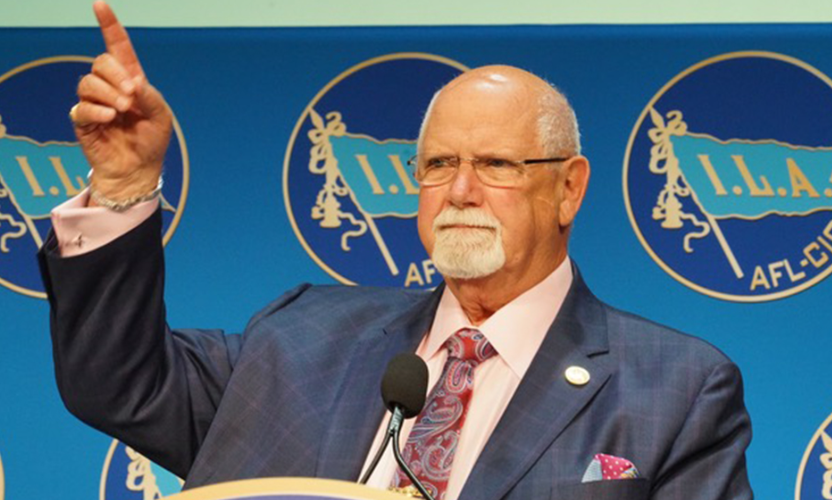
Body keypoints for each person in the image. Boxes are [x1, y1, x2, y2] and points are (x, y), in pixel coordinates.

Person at [38, 2, 753, 500]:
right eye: (438, 164)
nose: (460, 191)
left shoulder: (676, 389)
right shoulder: (300, 338)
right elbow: (117, 382)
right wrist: (124, 187)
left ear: (568, 189)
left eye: (495, 165)